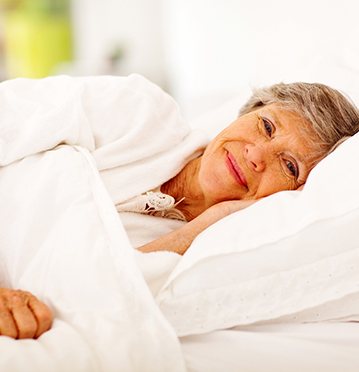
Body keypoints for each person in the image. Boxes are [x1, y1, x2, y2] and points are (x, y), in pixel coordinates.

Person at [1, 80, 359, 340]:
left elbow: (94, 300)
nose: (255, 155)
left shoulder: (209, 255)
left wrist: (193, 233)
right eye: (266, 126)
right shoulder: (141, 112)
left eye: (289, 165)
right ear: (246, 112)